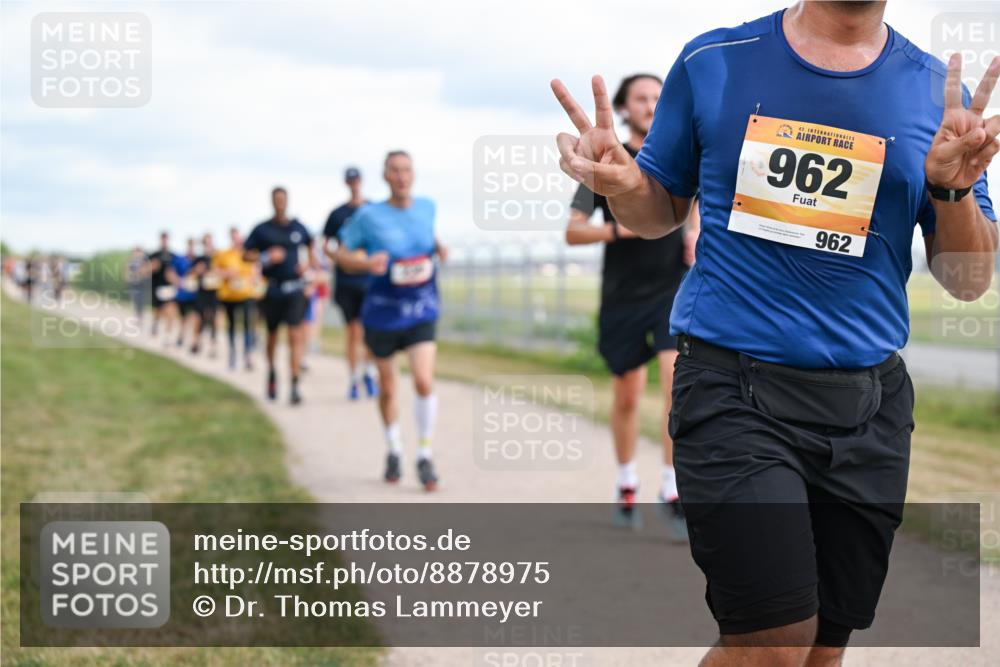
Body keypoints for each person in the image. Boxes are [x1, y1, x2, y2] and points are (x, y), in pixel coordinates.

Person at [551, 2, 997, 665]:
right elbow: (658, 211)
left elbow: (967, 279)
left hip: (867, 409)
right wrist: (623, 187)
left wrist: (951, 191)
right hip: (734, 387)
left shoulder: (938, 90)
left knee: (821, 650)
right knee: (774, 644)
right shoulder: (716, 60)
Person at [565, 73, 698, 538]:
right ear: (623, 108)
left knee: (672, 388)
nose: (651, 104)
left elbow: (697, 201)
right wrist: (623, 229)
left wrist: (695, 230)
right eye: (641, 97)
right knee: (626, 395)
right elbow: (573, 230)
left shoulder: (678, 156)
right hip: (622, 294)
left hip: (670, 291)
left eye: (659, 98)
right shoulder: (604, 162)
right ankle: (626, 483)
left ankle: (671, 488)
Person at [335, 151, 447, 491]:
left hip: (422, 308)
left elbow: (426, 240)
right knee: (388, 388)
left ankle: (425, 456)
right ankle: (394, 448)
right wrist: (366, 265)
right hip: (382, 313)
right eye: (395, 171)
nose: (401, 176)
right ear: (385, 176)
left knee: (424, 381)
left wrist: (439, 249)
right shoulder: (368, 216)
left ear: (413, 175)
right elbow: (341, 253)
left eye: (407, 170)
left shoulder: (428, 206)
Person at [244, 186, 317, 405]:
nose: (280, 203)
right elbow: (246, 254)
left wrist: (309, 264)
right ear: (272, 202)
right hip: (272, 289)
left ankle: (295, 384)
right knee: (273, 337)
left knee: (295, 336)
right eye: (276, 200)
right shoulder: (262, 229)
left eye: (283, 200)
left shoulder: (298, 227)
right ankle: (272, 372)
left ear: (287, 201)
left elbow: (312, 246)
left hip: (294, 289)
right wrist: (266, 257)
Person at [324, 166, 379, 400]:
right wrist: (340, 258)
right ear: (346, 183)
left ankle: (369, 371)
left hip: (370, 279)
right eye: (350, 180)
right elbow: (325, 245)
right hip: (347, 281)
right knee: (353, 331)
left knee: (371, 330)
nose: (354, 183)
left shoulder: (374, 209)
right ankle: (353, 378)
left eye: (357, 179)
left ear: (361, 181)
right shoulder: (337, 214)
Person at [214, 226, 258, 370]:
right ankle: (233, 354)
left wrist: (252, 278)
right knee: (231, 325)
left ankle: (247, 355)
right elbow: (215, 271)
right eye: (234, 237)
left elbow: (256, 271)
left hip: (246, 294)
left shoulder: (248, 254)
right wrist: (227, 273)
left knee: (248, 324)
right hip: (228, 295)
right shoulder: (223, 254)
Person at [190, 234, 220, 357]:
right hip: (202, 291)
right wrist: (197, 270)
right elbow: (191, 274)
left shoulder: (218, 257)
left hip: (214, 292)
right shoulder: (199, 259)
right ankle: (197, 342)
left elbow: (225, 270)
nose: (208, 245)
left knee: (213, 318)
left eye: (209, 242)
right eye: (205, 243)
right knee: (199, 318)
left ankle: (213, 346)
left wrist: (216, 271)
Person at [147, 232, 179, 345]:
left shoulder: (173, 256)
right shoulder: (154, 255)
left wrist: (176, 280)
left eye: (166, 239)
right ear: (160, 240)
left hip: (169, 289)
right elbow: (146, 270)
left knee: (171, 311)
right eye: (163, 239)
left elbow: (176, 271)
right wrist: (152, 267)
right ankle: (155, 325)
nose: (165, 241)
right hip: (157, 288)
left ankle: (167, 336)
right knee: (158, 312)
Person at [173, 238, 199, 349]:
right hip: (182, 294)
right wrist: (178, 282)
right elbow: (171, 272)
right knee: (183, 317)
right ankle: (181, 335)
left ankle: (194, 341)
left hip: (195, 295)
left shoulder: (198, 261)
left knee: (195, 317)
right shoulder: (180, 259)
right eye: (190, 246)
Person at [124, 246, 149, 323]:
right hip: (133, 283)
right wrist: (127, 278)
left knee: (141, 300)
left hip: (141, 284)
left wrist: (142, 274)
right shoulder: (130, 261)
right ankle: (137, 315)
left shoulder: (143, 262)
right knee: (135, 299)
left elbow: (146, 272)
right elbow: (127, 270)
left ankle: (140, 316)